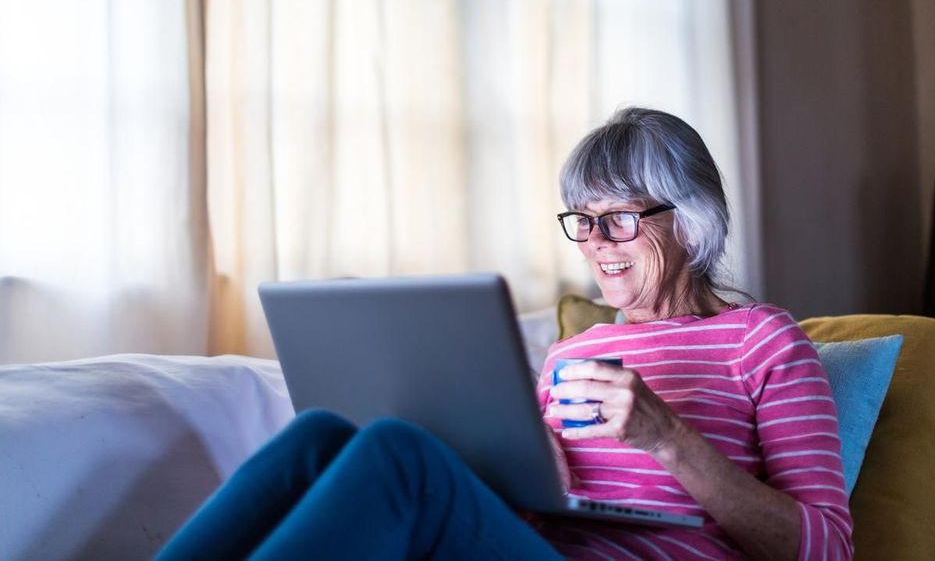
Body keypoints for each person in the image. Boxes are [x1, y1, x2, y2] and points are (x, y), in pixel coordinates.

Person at [157, 107, 852, 560]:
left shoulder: (760, 342)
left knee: (398, 454)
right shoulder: (570, 354)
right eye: (580, 219)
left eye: (619, 217)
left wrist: (668, 440)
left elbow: (825, 547)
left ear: (691, 219)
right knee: (322, 437)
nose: (594, 241)